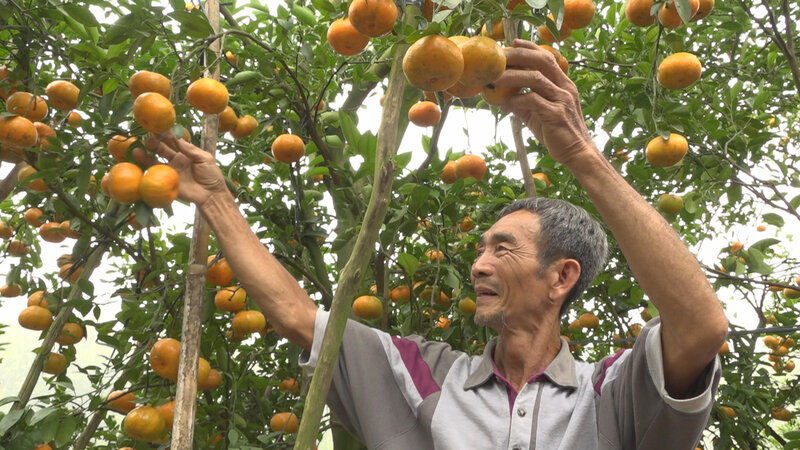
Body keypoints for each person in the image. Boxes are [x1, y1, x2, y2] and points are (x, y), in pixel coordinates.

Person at [146, 39, 728, 449]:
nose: (478, 265)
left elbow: (701, 328)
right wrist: (218, 201)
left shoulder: (612, 393)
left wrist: (582, 157)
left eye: (502, 249)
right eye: (479, 250)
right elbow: (297, 316)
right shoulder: (420, 374)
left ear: (562, 277)